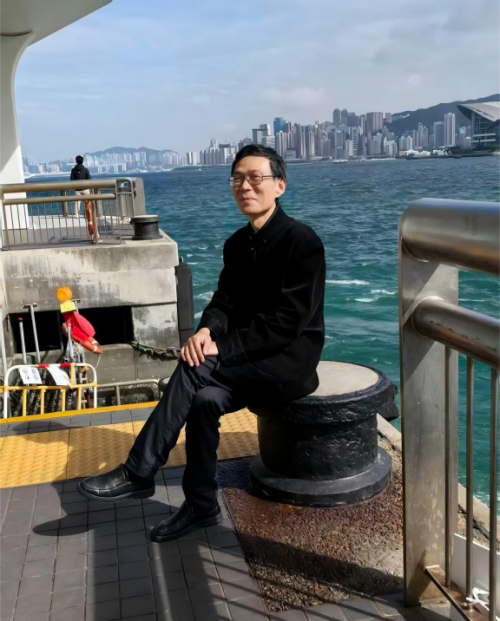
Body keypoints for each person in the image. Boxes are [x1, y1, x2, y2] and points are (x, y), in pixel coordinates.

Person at [77, 144, 326, 542]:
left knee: (197, 367)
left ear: (280, 185)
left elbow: (287, 324)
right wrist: (207, 330)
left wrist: (219, 349)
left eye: (256, 178)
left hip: (288, 362)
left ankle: (140, 470)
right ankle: (201, 504)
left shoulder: (302, 242)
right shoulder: (237, 244)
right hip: (244, 363)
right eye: (237, 179)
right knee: (204, 399)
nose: (245, 186)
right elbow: (224, 302)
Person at [70, 155, 94, 233]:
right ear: (82, 161)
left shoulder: (73, 170)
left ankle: (77, 215)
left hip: (77, 188)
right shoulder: (85, 169)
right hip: (85, 188)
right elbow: (89, 179)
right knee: (87, 202)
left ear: (76, 161)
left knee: (77, 202)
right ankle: (86, 215)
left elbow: (71, 179)